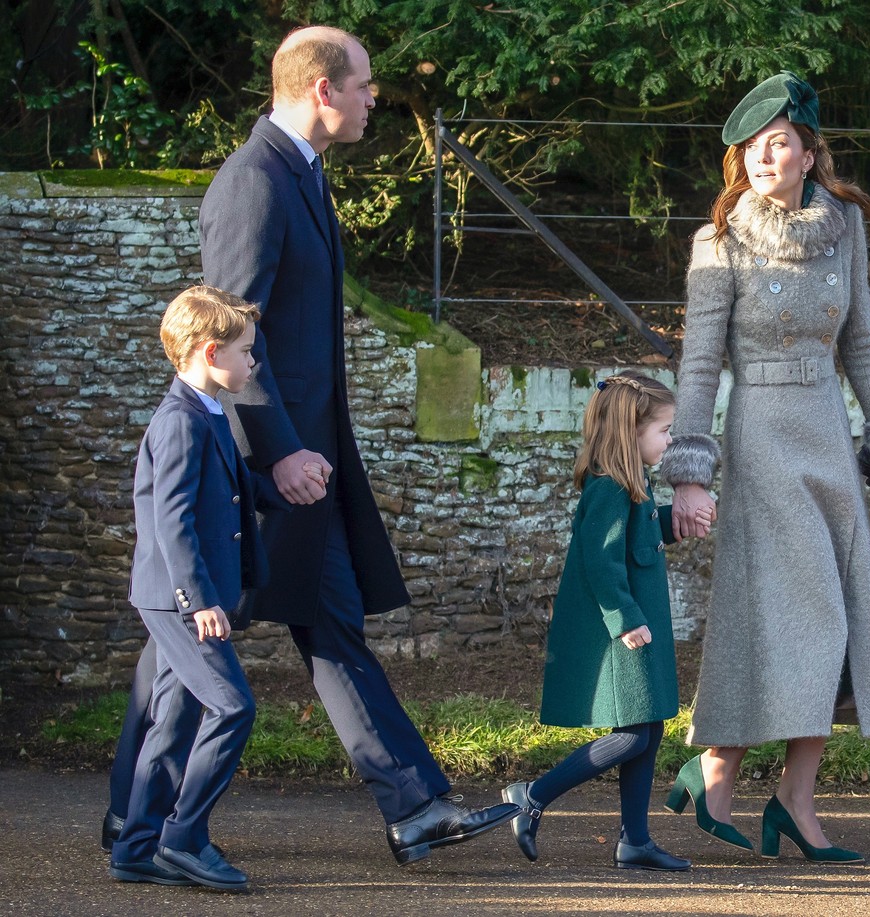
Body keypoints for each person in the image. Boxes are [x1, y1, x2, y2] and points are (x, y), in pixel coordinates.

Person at [103, 25, 517, 866]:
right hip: (259, 467)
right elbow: (228, 336)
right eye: (365, 84)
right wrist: (279, 453)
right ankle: (135, 820)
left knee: (328, 623)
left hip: (306, 460)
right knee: (188, 645)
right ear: (323, 90)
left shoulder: (302, 174)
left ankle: (414, 804)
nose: (376, 98)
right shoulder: (254, 182)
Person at [660, 72, 870, 863]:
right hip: (762, 441)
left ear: (810, 153)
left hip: (829, 443)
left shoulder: (844, 225)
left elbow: (864, 344)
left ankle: (780, 797)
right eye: (755, 144)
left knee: (836, 620)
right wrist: (689, 470)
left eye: (782, 141)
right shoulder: (722, 239)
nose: (766, 154)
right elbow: (700, 366)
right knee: (800, 618)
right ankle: (724, 772)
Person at [108, 286, 295, 890]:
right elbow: (172, 522)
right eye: (247, 352)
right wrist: (199, 602)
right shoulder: (180, 423)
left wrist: (291, 485)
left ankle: (137, 846)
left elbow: (233, 494)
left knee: (174, 717)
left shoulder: (207, 411)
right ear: (211, 352)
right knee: (232, 706)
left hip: (180, 596)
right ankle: (183, 838)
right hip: (179, 598)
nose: (254, 364)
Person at [502, 372, 706, 872]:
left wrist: (675, 524)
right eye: (663, 429)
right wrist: (624, 619)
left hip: (636, 625)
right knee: (635, 733)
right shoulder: (610, 488)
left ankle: (635, 840)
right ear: (629, 432)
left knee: (649, 727)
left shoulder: (630, 483)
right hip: (621, 632)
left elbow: (635, 540)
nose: (670, 439)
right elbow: (600, 561)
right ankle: (531, 795)